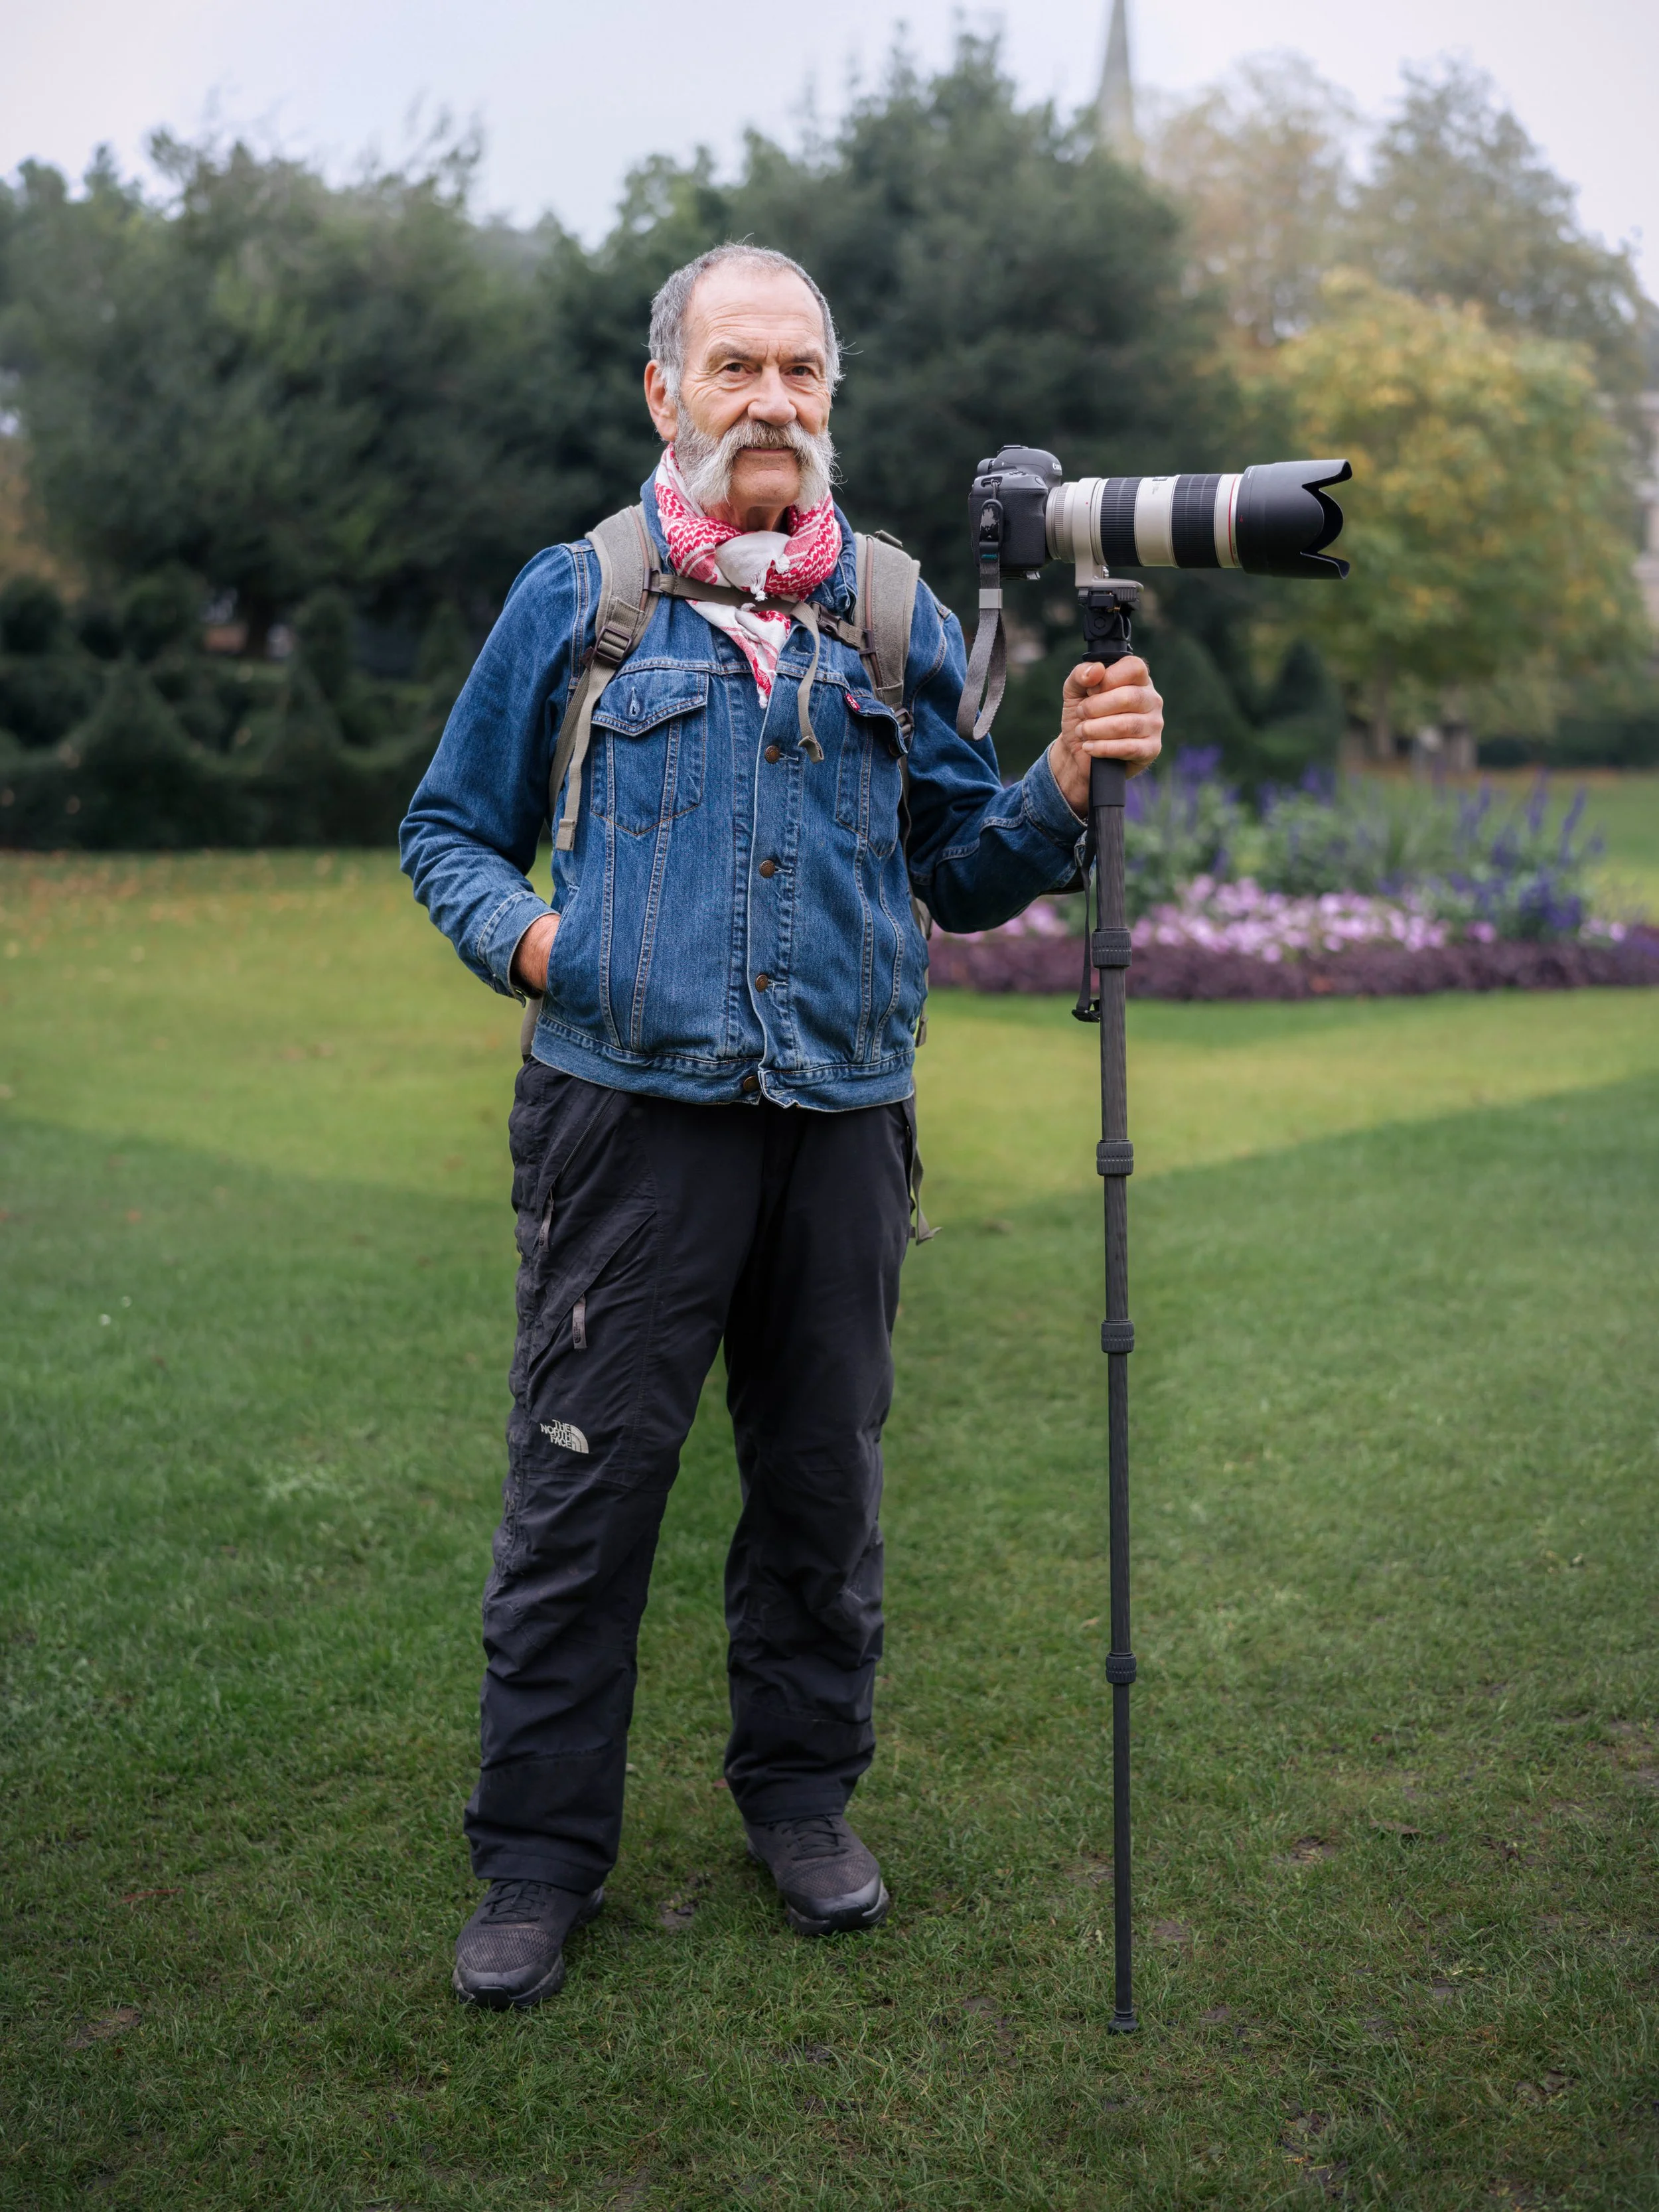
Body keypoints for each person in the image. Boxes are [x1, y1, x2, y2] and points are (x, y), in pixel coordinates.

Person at [400, 244, 1163, 2010]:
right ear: (662, 394)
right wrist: (537, 940)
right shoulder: (580, 599)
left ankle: (801, 1799)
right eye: (734, 366)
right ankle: (534, 1854)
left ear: (831, 401)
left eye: (801, 372)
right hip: (624, 1124)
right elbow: (448, 828)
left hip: (840, 1124)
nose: (770, 400)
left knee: (820, 1493)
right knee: (584, 1497)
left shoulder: (897, 615)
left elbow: (956, 877)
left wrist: (1057, 782)